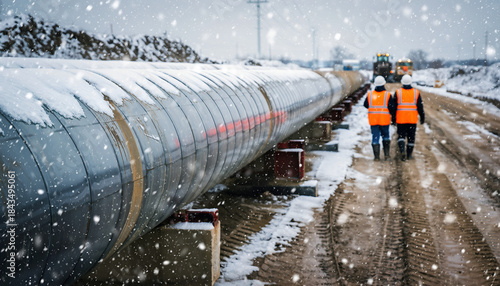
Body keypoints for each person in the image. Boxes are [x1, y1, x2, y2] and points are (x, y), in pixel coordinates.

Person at [392, 75, 425, 161]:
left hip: (401, 119)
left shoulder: (398, 92)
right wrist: (422, 116)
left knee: (401, 136)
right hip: (412, 119)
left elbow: (393, 107)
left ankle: (402, 151)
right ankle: (409, 155)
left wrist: (393, 118)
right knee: (411, 137)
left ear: (402, 82)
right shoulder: (416, 92)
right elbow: (420, 106)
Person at [364, 76, 395, 160]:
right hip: (384, 120)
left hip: (373, 120)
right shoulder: (387, 95)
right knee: (386, 136)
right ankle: (386, 155)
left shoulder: (370, 94)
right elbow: (392, 108)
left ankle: (376, 157)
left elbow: (365, 105)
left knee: (375, 137)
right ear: (384, 84)